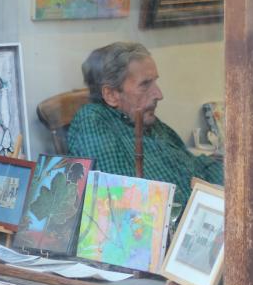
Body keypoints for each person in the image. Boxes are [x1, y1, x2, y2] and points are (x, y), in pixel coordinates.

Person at [67, 42, 224, 205]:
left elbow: (197, 166)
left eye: (154, 82)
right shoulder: (94, 121)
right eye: (145, 85)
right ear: (111, 95)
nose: (159, 94)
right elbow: (124, 204)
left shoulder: (146, 121)